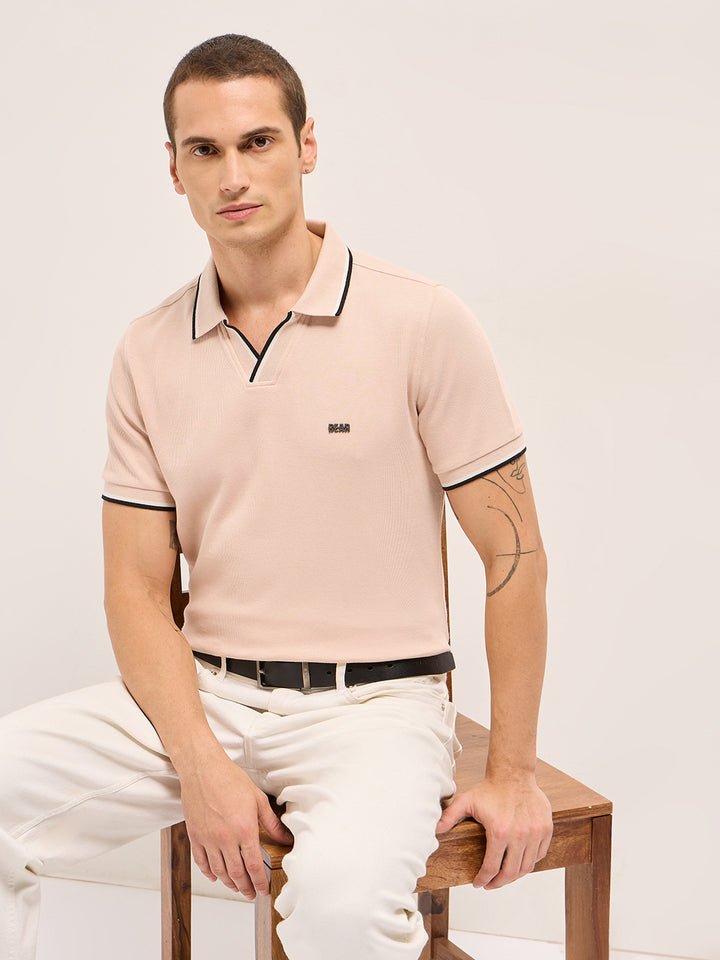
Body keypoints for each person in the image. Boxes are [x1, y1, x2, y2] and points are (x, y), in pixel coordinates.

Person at [0, 33, 553, 960]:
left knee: (339, 911)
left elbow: (516, 553)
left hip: (375, 711)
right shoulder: (146, 350)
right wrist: (201, 765)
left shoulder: (421, 320)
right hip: (204, 694)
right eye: (204, 149)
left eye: (257, 141)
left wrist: (514, 771)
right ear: (173, 169)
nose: (233, 175)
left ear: (306, 145)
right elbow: (134, 590)